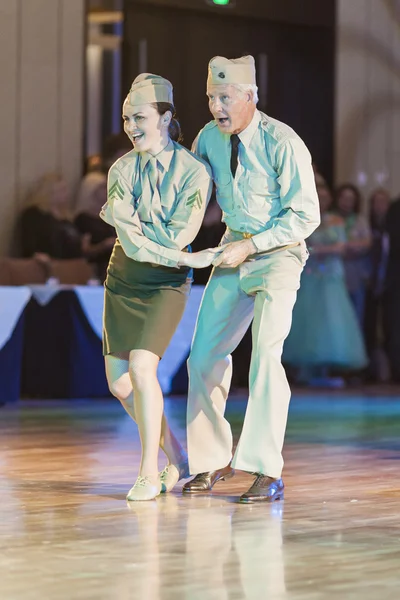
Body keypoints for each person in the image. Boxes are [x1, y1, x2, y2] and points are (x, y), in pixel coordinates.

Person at [183, 55, 320, 503]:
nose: (217, 107)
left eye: (225, 98)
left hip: (278, 254)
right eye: (211, 98)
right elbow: (193, 195)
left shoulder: (283, 141)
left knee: (264, 355)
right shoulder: (208, 138)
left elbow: (306, 215)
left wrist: (253, 246)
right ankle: (210, 460)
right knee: (203, 355)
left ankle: (266, 469)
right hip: (232, 247)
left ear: (250, 97)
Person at [100, 73, 217, 501]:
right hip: (124, 277)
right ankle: (178, 454)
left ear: (165, 117)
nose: (132, 126)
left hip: (166, 283)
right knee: (119, 383)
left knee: (143, 369)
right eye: (127, 118)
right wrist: (183, 253)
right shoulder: (121, 169)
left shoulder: (193, 171)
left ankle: (150, 470)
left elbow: (180, 230)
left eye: (141, 117)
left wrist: (140, 228)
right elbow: (132, 239)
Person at [283, 184, 368, 382]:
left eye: (325, 197)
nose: (322, 201)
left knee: (332, 320)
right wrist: (320, 250)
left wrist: (319, 250)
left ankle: (328, 370)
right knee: (308, 320)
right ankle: (307, 369)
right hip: (310, 275)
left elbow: (342, 246)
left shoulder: (336, 220)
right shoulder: (303, 219)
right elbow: (300, 246)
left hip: (331, 276)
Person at [18, 173, 83, 260]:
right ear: (49, 191)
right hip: (46, 266)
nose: (67, 193)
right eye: (62, 190)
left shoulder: (66, 216)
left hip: (70, 266)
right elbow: (29, 246)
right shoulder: (34, 214)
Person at [333, 183, 371, 324]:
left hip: (355, 272)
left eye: (351, 199)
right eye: (344, 198)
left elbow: (367, 243)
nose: (347, 202)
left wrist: (343, 247)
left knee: (357, 315)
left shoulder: (360, 220)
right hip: (334, 274)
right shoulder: (330, 218)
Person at [74, 172, 116, 282]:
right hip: (97, 268)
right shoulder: (83, 219)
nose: (107, 190)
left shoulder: (111, 215)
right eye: (102, 187)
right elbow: (83, 250)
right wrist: (103, 245)